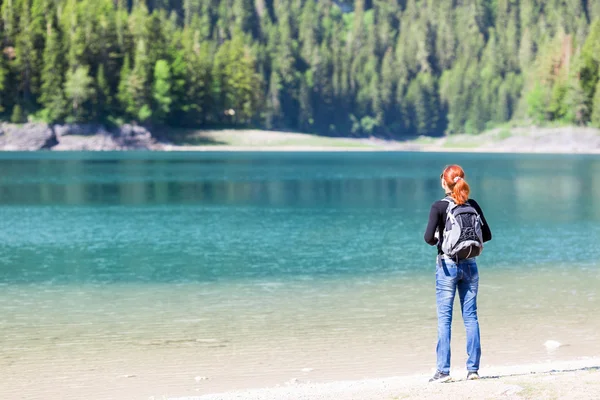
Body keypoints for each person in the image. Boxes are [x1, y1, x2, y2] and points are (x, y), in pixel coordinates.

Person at [423, 164, 492, 383]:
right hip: (470, 264)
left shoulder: (438, 206)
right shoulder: (472, 205)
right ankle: (473, 370)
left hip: (447, 265)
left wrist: (439, 239)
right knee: (470, 317)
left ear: (444, 181)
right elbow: (487, 235)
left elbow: (428, 238)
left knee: (445, 319)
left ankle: (443, 372)